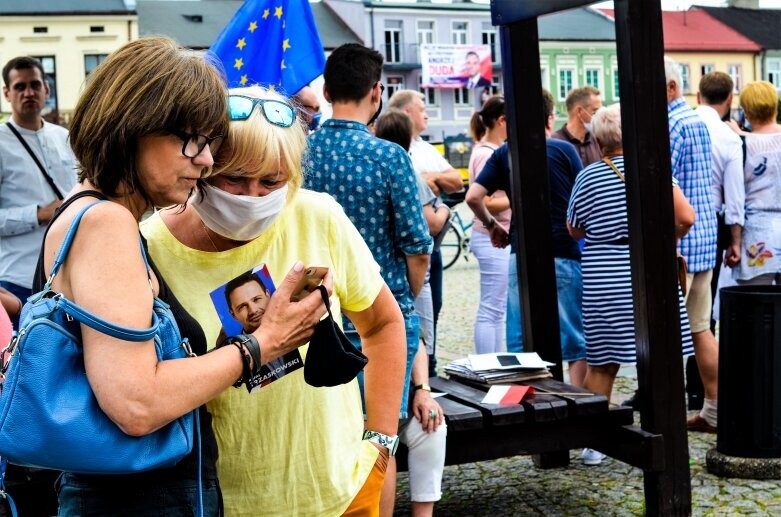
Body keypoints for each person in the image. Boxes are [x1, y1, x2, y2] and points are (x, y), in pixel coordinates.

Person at [32, 37, 329, 515]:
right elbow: (137, 404)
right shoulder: (106, 223)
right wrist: (264, 343)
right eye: (192, 139)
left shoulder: (88, 214)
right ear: (132, 127)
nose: (207, 160)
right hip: (138, 500)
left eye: (209, 142)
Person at [142, 84, 406, 515]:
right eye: (234, 177)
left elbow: (381, 325)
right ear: (203, 165)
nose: (253, 196)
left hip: (341, 492)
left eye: (271, 180)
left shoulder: (316, 216)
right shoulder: (152, 247)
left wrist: (380, 445)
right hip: (225, 502)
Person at [305, 44, 433, 517]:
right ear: (376, 92)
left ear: (327, 89)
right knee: (378, 440)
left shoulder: (300, 151)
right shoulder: (387, 157)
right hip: (381, 324)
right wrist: (402, 301)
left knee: (322, 436)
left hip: (313, 317)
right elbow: (417, 247)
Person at [566, 104, 696, 465]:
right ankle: (666, 432)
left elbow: (574, 228)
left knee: (602, 362)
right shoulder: (651, 171)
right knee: (658, 356)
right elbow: (686, 216)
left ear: (599, 139)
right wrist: (663, 235)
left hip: (604, 275)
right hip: (647, 269)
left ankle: (595, 443)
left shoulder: (587, 175)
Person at [467, 89, 588, 388]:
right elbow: (583, 200)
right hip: (563, 250)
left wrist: (493, 226)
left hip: (519, 255)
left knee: (521, 341)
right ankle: (580, 404)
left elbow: (473, 197)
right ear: (549, 120)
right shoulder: (564, 151)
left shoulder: (504, 152)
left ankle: (530, 406)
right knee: (574, 340)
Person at [374, 108, 447, 517]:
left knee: (427, 423)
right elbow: (423, 238)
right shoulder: (396, 164)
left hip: (395, 337)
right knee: (380, 434)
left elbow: (411, 334)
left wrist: (422, 389)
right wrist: (410, 288)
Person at [388, 89, 463, 376]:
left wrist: (430, 178)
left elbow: (456, 180)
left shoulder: (424, 147)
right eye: (422, 107)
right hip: (418, 247)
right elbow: (432, 220)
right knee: (417, 309)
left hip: (433, 250)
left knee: (435, 304)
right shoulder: (398, 152)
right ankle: (423, 373)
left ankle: (424, 368)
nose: (427, 113)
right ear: (407, 114)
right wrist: (440, 204)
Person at [0, 56, 77, 329]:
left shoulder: (64, 138)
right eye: (20, 87)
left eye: (35, 84)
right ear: (7, 93)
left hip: (67, 279)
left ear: (46, 89)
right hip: (18, 281)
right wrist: (38, 214)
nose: (29, 92)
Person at [664, 57, 720, 434]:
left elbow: (661, 184)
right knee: (701, 328)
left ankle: (663, 414)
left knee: (665, 332)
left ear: (670, 88)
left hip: (680, 241)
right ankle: (714, 409)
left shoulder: (670, 125)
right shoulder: (698, 120)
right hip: (704, 238)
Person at [686, 71, 745, 415]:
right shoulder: (726, 137)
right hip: (713, 224)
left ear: (698, 95)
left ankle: (688, 390)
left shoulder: (679, 124)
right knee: (703, 319)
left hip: (677, 222)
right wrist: (735, 240)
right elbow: (734, 198)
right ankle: (706, 395)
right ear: (729, 98)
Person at [467, 95, 511, 354]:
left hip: (492, 235)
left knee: (496, 308)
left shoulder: (488, 150)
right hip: (491, 235)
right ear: (502, 121)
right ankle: (488, 362)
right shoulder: (487, 154)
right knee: (492, 308)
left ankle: (495, 360)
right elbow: (484, 200)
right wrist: (515, 198)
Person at [730, 81, 781, 287]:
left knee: (757, 310)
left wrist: (734, 241)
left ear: (746, 111)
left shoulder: (741, 145)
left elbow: (735, 198)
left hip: (756, 235)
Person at [551, 86, 603, 167]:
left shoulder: (596, 139)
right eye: (595, 111)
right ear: (579, 111)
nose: (600, 115)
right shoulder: (555, 142)